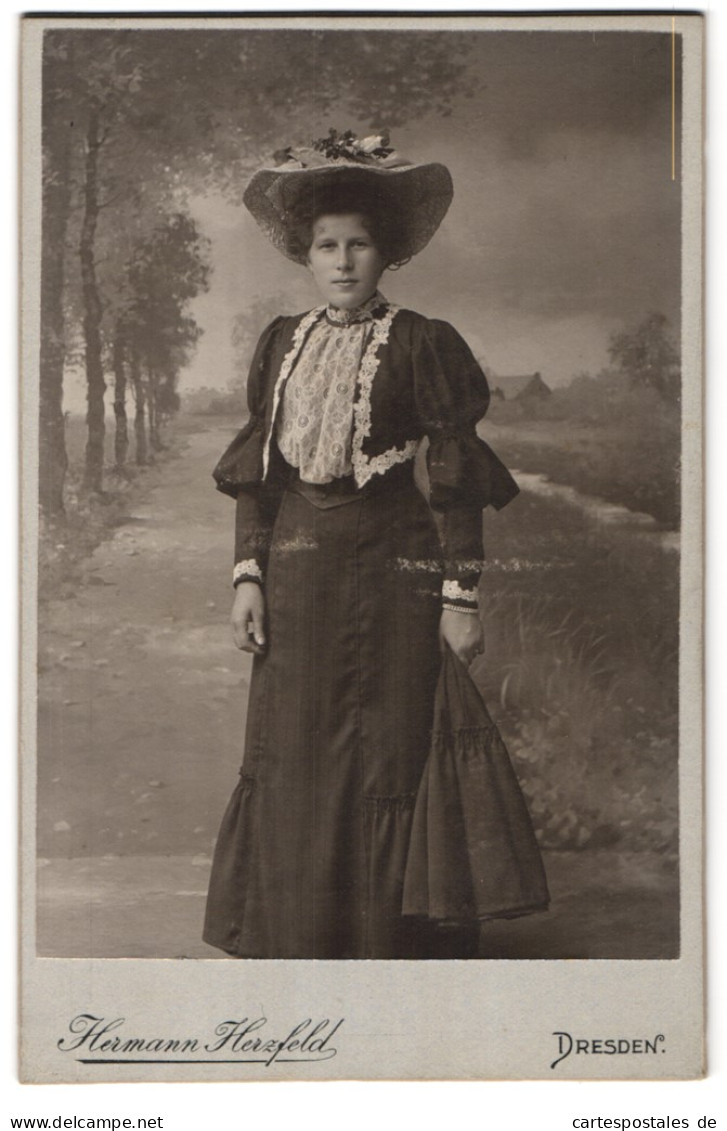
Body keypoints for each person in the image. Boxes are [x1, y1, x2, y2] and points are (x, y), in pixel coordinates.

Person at [203, 130, 542, 960]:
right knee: (296, 742)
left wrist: (459, 596)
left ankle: (383, 935)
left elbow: (456, 480)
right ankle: (299, 926)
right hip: (297, 572)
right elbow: (260, 477)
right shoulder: (282, 344)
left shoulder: (423, 342)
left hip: (394, 572)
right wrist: (248, 574)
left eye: (358, 244)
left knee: (386, 746)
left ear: (384, 253)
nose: (343, 260)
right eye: (327, 245)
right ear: (306, 256)